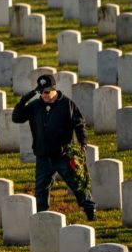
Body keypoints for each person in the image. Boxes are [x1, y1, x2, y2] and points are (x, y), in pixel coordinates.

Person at [12, 74, 96, 220]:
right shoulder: (35, 106)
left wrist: (83, 144)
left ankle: (90, 211)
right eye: (40, 92)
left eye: (46, 92)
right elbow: (16, 117)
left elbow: (79, 124)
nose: (43, 95)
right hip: (43, 156)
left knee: (77, 184)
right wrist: (25, 98)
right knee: (41, 190)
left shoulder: (67, 104)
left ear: (54, 90)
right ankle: (43, 218)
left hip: (63, 155)